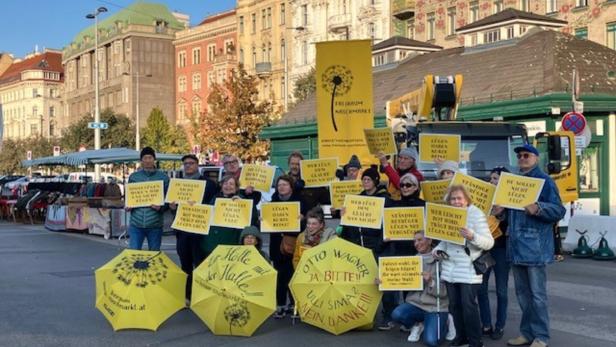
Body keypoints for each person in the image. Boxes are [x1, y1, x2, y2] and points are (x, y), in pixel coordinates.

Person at [505, 144, 565, 347]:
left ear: (536, 158)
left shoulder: (545, 181)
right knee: (522, 295)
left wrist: (538, 208)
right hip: (515, 248)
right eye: (520, 156)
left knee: (537, 296)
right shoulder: (513, 182)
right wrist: (500, 211)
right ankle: (527, 333)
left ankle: (541, 337)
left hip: (535, 248)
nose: (522, 158)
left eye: (526, 155)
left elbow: (558, 210)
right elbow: (511, 213)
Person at [433, 185, 494, 347]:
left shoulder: (476, 214)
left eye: (459, 198)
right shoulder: (448, 214)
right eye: (453, 198)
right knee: (454, 306)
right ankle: (461, 337)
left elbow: (489, 243)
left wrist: (472, 236)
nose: (456, 201)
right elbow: (443, 240)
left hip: (468, 269)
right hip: (450, 268)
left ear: (467, 199)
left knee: (469, 307)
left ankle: (475, 341)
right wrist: (438, 250)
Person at [340, 166, 394, 330]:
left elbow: (389, 224)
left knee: (382, 283)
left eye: (368, 179)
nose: (365, 182)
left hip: (379, 248)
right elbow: (349, 225)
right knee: (362, 283)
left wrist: (380, 244)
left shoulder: (386, 199)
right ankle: (361, 314)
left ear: (376, 181)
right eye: (363, 179)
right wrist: (343, 215)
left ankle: (388, 316)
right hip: (360, 247)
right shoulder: (357, 199)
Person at [169, 154, 217, 302]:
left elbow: (213, 204)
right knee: (185, 263)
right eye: (186, 164)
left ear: (197, 165)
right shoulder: (178, 184)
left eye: (191, 163)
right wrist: (171, 207)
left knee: (201, 263)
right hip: (183, 230)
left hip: (200, 230)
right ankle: (188, 295)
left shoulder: (208, 184)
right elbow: (172, 206)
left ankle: (202, 295)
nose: (188, 166)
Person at [390, 231, 448, 347]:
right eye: (414, 241)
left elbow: (445, 293)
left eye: (420, 240)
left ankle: (446, 322)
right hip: (415, 304)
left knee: (432, 341)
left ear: (430, 241)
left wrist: (431, 282)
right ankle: (417, 325)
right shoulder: (412, 261)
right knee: (397, 314)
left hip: (434, 307)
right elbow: (397, 281)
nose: (416, 243)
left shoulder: (441, 261)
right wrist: (384, 282)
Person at [477, 166, 511, 340]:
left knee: (501, 291)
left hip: (502, 250)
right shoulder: (484, 200)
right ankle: (486, 324)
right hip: (484, 250)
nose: (492, 182)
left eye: (496, 179)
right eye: (491, 179)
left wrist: (502, 214)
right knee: (481, 289)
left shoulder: (512, 202)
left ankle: (500, 326)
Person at [269, 174, 308, 319]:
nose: (281, 187)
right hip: (276, 244)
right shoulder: (273, 201)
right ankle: (280, 305)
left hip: (293, 242)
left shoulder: (300, 202)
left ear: (291, 186)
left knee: (293, 274)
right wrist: (264, 219)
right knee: (279, 276)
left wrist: (302, 219)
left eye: (285, 184)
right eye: (279, 185)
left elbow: (307, 222)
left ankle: (294, 304)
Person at [201, 175, 259, 258]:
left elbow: (252, 218)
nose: (228, 186)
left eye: (231, 184)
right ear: (221, 186)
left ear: (236, 187)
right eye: (225, 183)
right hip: (212, 243)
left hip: (232, 242)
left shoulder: (242, 200)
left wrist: (242, 204)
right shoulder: (214, 199)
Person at [126, 147, 169, 251]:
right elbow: (129, 197)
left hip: (155, 224)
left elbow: (169, 199)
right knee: (134, 254)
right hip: (136, 223)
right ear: (141, 160)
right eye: (145, 158)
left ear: (154, 159)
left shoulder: (163, 177)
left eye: (150, 157)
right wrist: (128, 206)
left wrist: (161, 208)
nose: (147, 160)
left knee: (153, 255)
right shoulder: (133, 177)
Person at [386, 173, 425, 256]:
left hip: (417, 250)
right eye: (402, 185)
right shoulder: (394, 205)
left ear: (415, 187)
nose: (404, 188)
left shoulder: (423, 205)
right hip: (398, 251)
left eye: (408, 185)